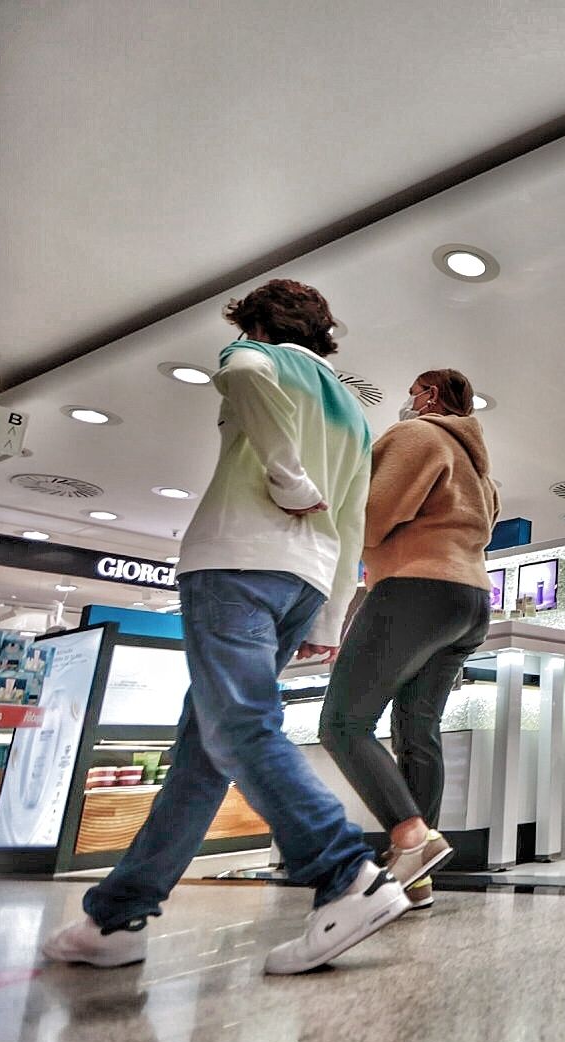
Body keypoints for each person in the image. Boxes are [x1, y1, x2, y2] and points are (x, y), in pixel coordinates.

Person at [43, 280, 408, 975]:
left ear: (261, 324)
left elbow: (239, 372)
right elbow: (354, 517)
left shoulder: (257, 356)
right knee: (205, 749)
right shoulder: (357, 417)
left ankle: (345, 871)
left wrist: (286, 477)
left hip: (236, 563)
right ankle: (119, 916)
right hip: (304, 579)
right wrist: (330, 612)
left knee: (238, 725)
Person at [319, 369, 500, 912]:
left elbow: (371, 520)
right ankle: (415, 877)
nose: (407, 399)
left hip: (415, 588)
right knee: (417, 729)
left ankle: (411, 838)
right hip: (470, 602)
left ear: (428, 397)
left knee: (344, 723)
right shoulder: (481, 471)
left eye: (414, 391)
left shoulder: (415, 436)